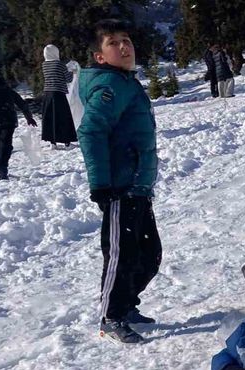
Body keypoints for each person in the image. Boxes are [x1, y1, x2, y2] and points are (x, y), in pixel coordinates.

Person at [77, 19, 162, 344]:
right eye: (113, 43)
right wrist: (101, 184)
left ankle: (125, 305)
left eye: (126, 40)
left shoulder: (126, 82)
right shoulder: (110, 87)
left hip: (138, 186)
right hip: (119, 188)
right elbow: (90, 131)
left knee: (149, 256)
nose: (124, 47)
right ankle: (111, 317)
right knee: (121, 256)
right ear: (100, 56)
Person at [0, 71, 37, 180]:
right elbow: (20, 102)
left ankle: (1, 168)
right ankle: (2, 168)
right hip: (9, 118)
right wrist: (29, 117)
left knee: (0, 145)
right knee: (6, 144)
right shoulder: (6, 88)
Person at [41, 44, 78, 149]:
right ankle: (67, 142)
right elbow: (68, 79)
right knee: (63, 118)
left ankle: (52, 143)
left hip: (47, 94)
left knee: (50, 118)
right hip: (58, 94)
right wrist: (73, 71)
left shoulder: (44, 65)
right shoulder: (59, 64)